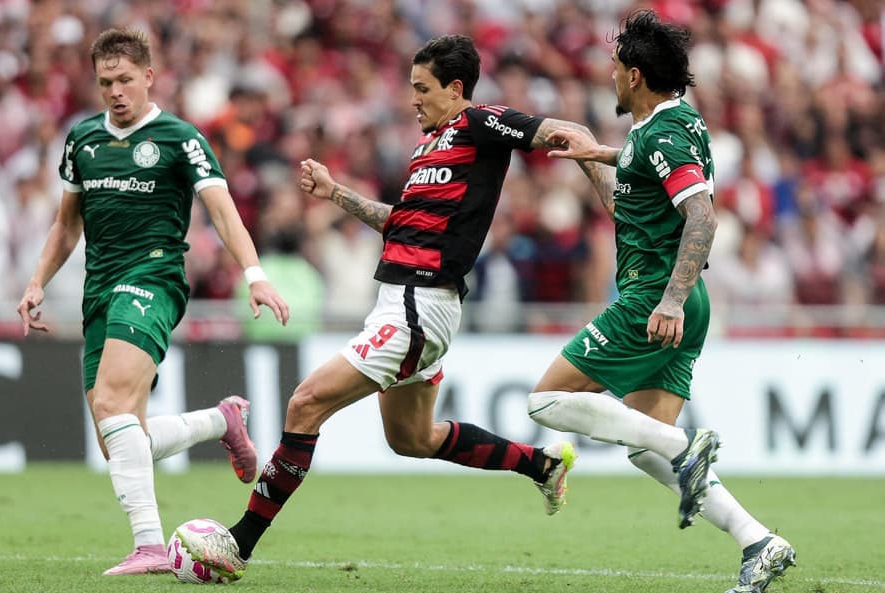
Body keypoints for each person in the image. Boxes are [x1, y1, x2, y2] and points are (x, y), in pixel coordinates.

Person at [176, 33, 724, 583]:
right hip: (402, 302)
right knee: (411, 439)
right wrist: (336, 192)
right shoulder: (430, 148)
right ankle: (541, 464)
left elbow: (564, 132)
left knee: (305, 403)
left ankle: (239, 544)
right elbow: (400, 223)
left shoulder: (481, 123)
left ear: (455, 88)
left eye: (423, 88)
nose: (413, 99)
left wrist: (600, 169)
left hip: (418, 305)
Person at [531, 11, 796, 593]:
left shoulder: (662, 135)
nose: (609, 77)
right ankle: (759, 541)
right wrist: (593, 155)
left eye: (614, 68)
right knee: (644, 446)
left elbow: (702, 217)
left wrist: (669, 301)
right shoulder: (670, 125)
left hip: (655, 298)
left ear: (634, 75)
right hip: (682, 298)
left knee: (545, 402)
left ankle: (686, 445)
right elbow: (630, 206)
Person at [15, 29, 290, 576]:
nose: (115, 92)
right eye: (105, 83)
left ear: (148, 76)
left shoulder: (180, 138)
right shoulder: (82, 139)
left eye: (124, 80)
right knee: (118, 438)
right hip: (98, 288)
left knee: (113, 405)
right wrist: (37, 280)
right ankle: (221, 421)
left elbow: (222, 210)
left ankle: (149, 547)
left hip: (153, 277)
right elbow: (66, 224)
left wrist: (254, 274)